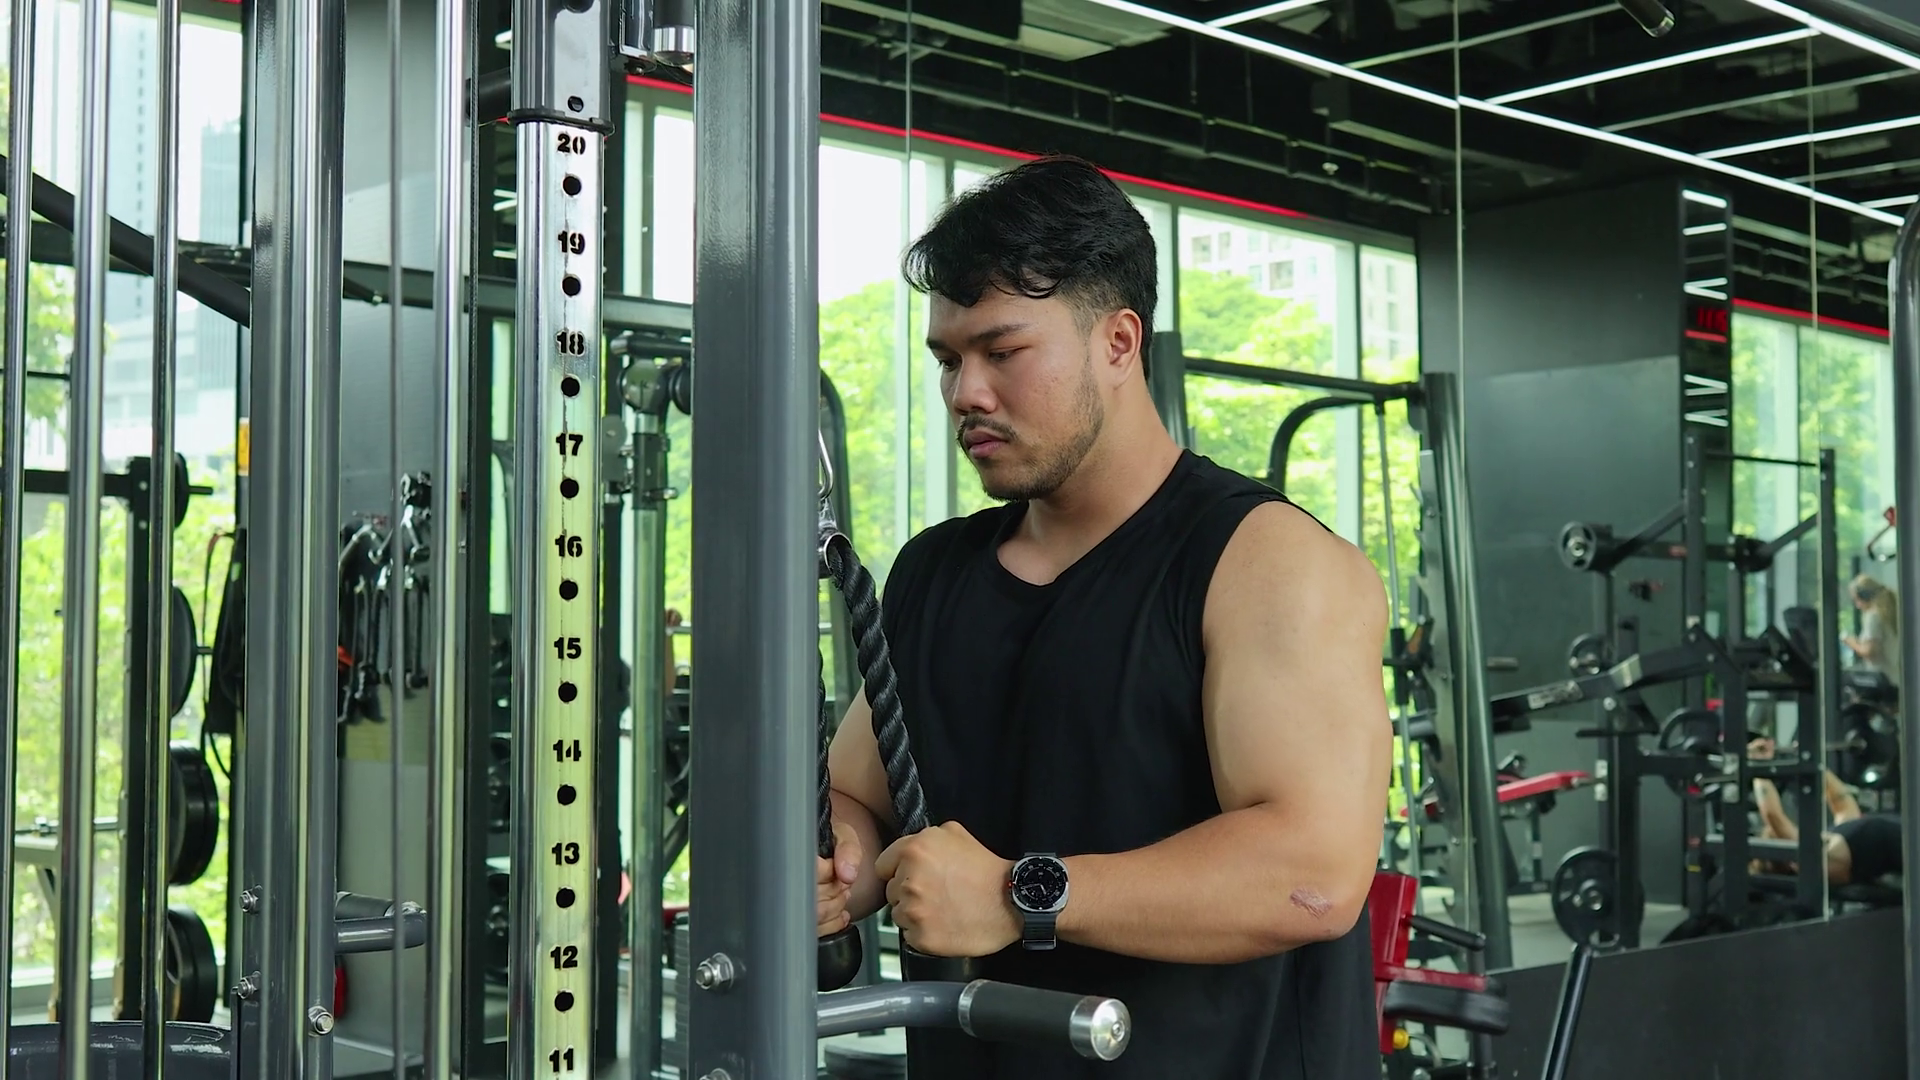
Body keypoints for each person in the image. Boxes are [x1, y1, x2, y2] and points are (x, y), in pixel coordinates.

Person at [816, 156, 1390, 1079]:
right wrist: (836, 863)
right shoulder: (934, 571)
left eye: (1003, 352)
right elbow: (861, 798)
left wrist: (1017, 895)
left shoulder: (1266, 562)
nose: (966, 393)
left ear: (1119, 343)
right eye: (949, 360)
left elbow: (1312, 875)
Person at [1748, 737, 1902, 887]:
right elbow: (1773, 816)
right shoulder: (1814, 861)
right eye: (1774, 835)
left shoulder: (1833, 839)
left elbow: (1841, 801)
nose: (1767, 830)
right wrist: (1758, 765)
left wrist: (1808, 761)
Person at [1842, 574, 1902, 693]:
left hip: (1883, 681)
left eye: (1856, 600)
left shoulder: (1873, 616)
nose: (1857, 606)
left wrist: (1850, 642)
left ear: (1865, 596)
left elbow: (1870, 651)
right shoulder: (1890, 612)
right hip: (1896, 679)